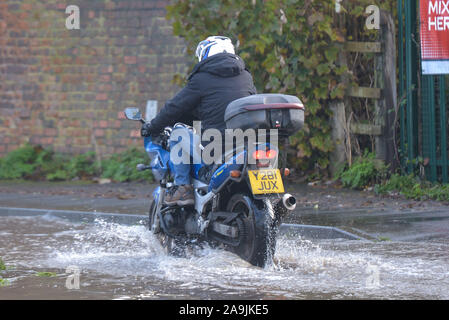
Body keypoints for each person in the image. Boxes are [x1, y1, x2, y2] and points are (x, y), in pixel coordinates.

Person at [141, 36, 257, 206]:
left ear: (206, 53)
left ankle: (183, 188)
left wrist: (152, 126)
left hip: (216, 147)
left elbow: (175, 107)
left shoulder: (202, 79)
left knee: (178, 132)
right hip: (245, 143)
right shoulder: (246, 76)